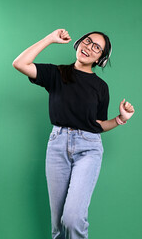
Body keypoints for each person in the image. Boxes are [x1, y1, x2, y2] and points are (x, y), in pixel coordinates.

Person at [12, 28, 135, 239]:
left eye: (97, 48)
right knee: (57, 225)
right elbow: (20, 63)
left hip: (89, 148)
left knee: (73, 218)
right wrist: (50, 38)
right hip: (57, 146)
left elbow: (96, 124)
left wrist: (120, 119)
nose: (90, 47)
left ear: (101, 59)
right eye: (87, 41)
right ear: (78, 43)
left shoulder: (101, 87)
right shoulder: (57, 74)